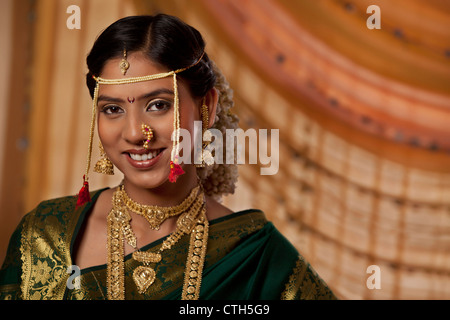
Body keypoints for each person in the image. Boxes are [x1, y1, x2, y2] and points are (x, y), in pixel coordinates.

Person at [0, 14, 336, 300]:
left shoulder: (256, 255)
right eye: (113, 109)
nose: (135, 133)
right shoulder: (44, 235)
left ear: (208, 106)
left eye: (158, 105)